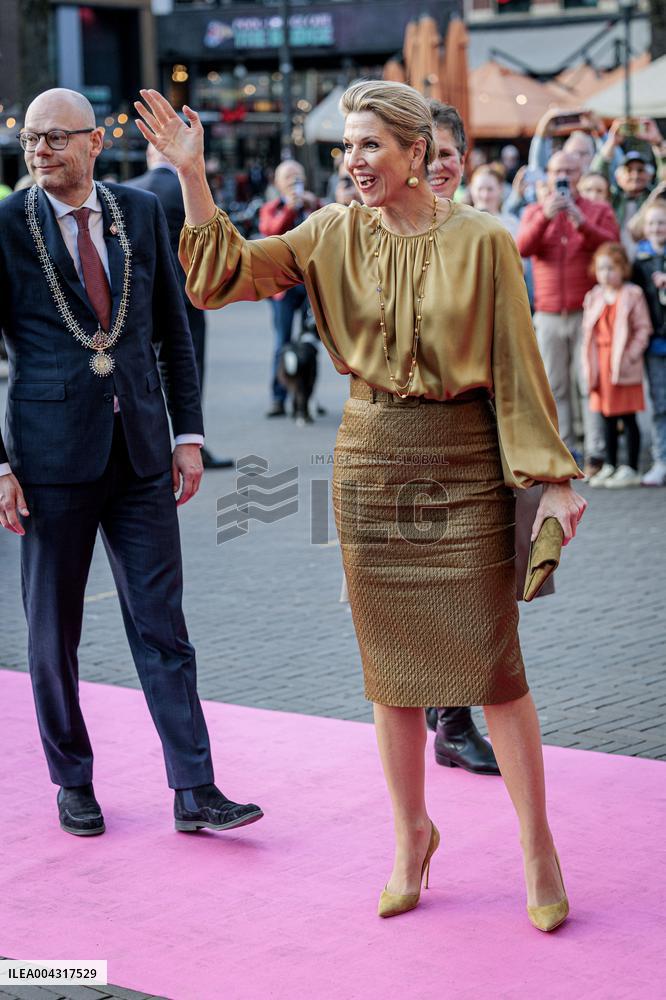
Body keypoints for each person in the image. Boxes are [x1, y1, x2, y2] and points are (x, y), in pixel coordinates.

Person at [135, 81, 586, 932]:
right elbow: (221, 278)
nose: (353, 162)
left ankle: (538, 848)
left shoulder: (486, 241)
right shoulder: (329, 232)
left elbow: (519, 367)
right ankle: (412, 835)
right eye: (346, 148)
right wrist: (193, 176)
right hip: (371, 464)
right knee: (390, 676)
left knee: (495, 669)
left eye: (370, 145)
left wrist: (551, 476)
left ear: (418, 154)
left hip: (464, 463)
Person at [0, 88, 263, 838]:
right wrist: (0, 468)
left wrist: (188, 434)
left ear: (93, 144)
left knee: (163, 627)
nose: (41, 150)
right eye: (31, 140)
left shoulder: (140, 212)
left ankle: (195, 787)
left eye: (56, 138)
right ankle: (72, 780)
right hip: (49, 462)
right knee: (53, 634)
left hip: (142, 451)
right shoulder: (6, 228)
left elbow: (172, 329)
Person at [127, 142, 232, 469]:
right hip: (185, 295)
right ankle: (190, 443)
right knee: (188, 366)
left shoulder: (128, 191)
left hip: (135, 301)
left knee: (140, 371)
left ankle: (143, 442)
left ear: (149, 157)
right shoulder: (191, 193)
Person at [517, 150, 619, 478]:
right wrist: (546, 216)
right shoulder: (535, 210)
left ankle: (595, 451)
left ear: (581, 172)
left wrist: (581, 221)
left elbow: (611, 246)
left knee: (587, 382)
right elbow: (521, 247)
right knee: (555, 386)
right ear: (547, 175)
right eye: (557, 170)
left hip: (586, 311)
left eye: (570, 170)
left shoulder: (596, 209)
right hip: (548, 313)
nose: (563, 176)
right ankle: (565, 449)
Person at [583, 243, 652, 488]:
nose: (606, 273)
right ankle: (611, 464)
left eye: (611, 268)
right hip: (600, 365)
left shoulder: (632, 294)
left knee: (628, 417)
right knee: (606, 417)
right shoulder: (594, 296)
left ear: (623, 269)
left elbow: (643, 328)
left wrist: (631, 356)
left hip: (622, 364)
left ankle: (631, 467)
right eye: (601, 268)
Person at [258, 159, 319, 417]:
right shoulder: (271, 208)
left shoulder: (313, 206)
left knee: (310, 342)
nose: (294, 180)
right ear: (278, 183)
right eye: (288, 176)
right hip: (282, 287)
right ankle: (278, 397)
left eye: (298, 175)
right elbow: (271, 231)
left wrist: (311, 206)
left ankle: (305, 398)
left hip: (308, 286)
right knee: (282, 341)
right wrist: (291, 210)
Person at [632, 201, 666, 486]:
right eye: (653, 222)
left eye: (662, 222)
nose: (657, 228)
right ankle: (661, 459)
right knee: (659, 404)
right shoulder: (639, 260)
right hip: (655, 341)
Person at [468, 164, 519, 240]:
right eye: (480, 189)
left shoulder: (511, 224)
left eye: (490, 189)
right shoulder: (463, 223)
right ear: (472, 189)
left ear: (500, 189)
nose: (485, 195)